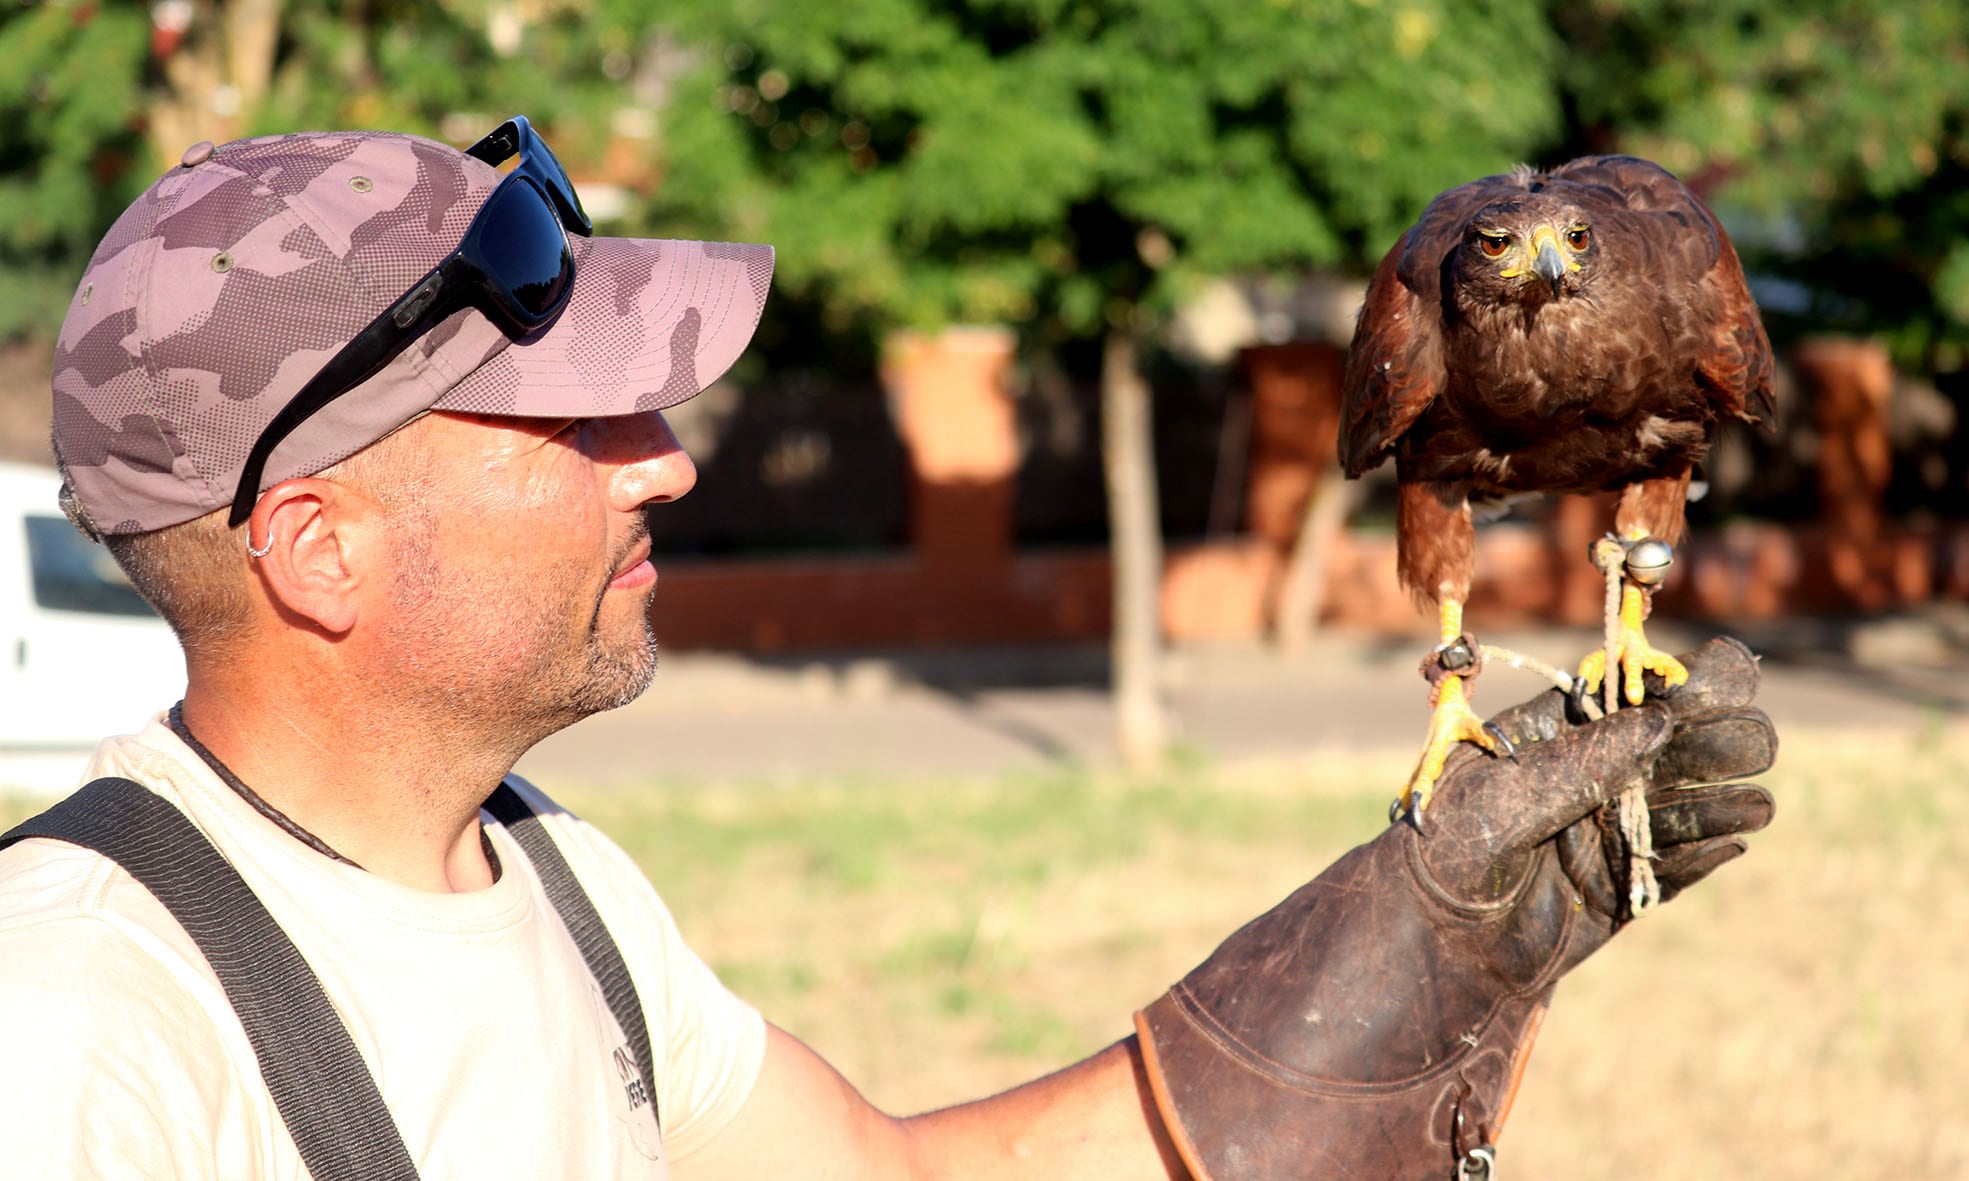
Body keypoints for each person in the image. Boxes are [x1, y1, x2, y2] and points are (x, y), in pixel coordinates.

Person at [0, 118, 1777, 1179]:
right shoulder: (80, 1018)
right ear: (320, 548)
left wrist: (1415, 949)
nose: (671, 457)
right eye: (574, 424)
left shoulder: (546, 874)